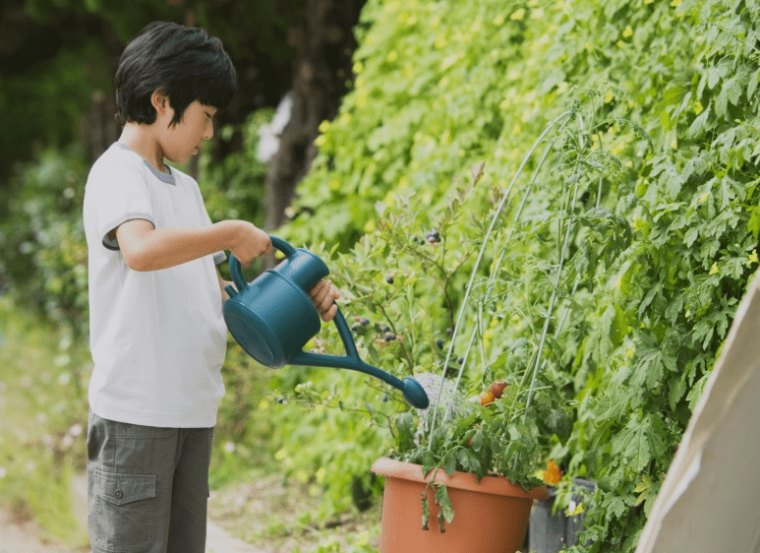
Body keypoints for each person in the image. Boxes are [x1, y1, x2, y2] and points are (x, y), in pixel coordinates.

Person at [82, 21, 340, 553]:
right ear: (162, 101)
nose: (208, 133)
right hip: (137, 414)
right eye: (206, 116)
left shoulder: (186, 189)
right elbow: (141, 250)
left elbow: (210, 297)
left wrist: (296, 299)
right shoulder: (117, 173)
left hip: (190, 410)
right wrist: (229, 232)